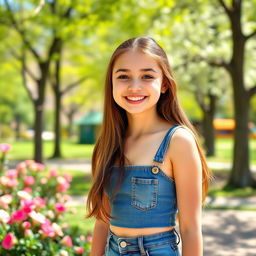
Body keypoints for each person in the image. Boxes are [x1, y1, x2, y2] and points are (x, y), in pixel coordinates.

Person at [86, 36, 211, 256]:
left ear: (164, 84)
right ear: (112, 83)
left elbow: (191, 228)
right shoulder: (108, 144)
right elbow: (102, 222)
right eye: (123, 76)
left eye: (147, 76)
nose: (135, 87)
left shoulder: (178, 141)